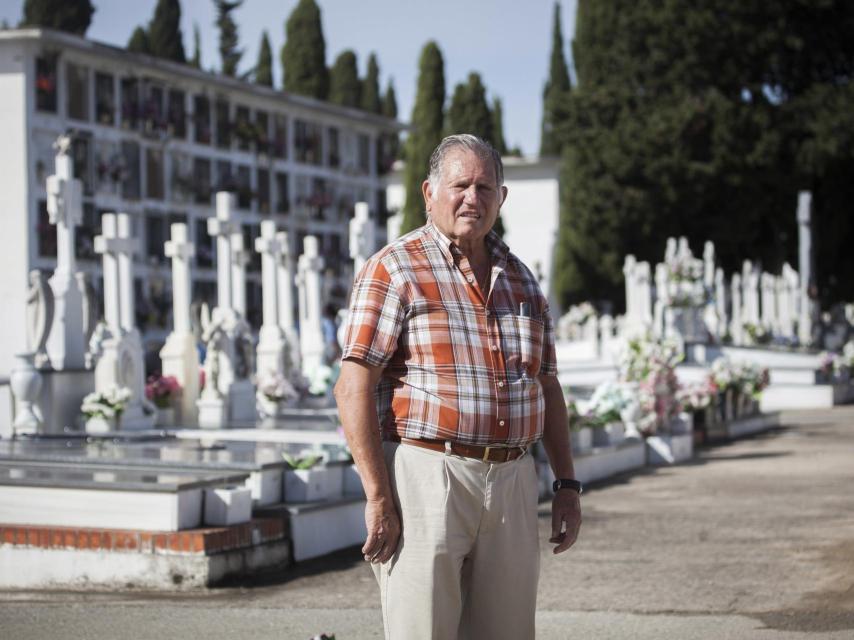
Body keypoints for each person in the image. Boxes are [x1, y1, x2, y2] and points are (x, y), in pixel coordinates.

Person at [334, 134, 581, 640]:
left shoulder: (522, 280)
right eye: (460, 185)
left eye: (485, 186)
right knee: (422, 631)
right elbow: (353, 385)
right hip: (427, 475)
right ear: (429, 192)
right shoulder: (395, 269)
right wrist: (378, 495)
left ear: (502, 198)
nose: (473, 197)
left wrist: (567, 484)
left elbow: (546, 385)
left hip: (513, 479)